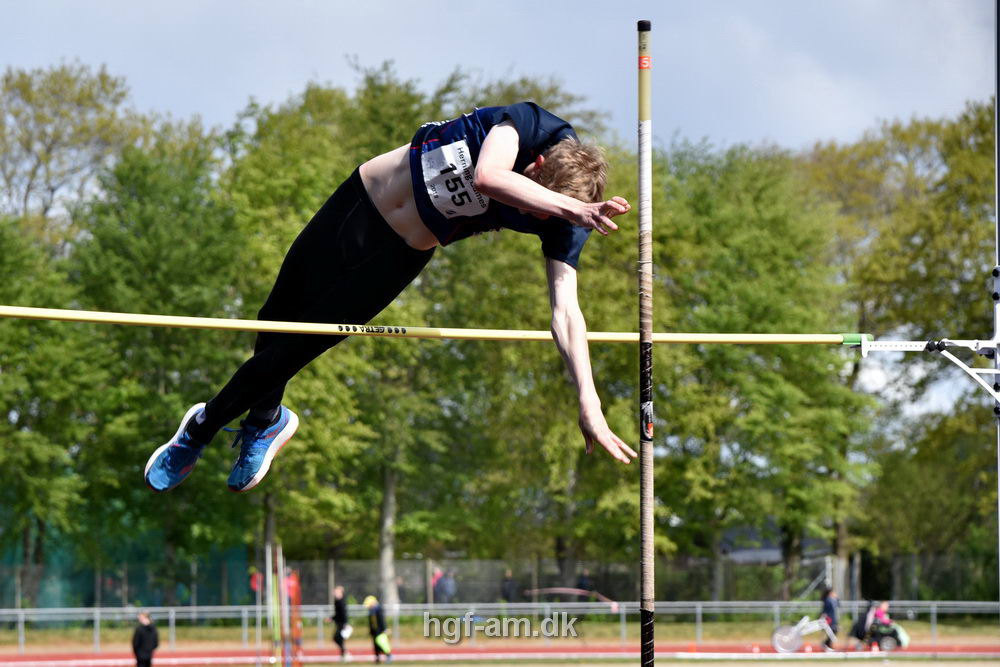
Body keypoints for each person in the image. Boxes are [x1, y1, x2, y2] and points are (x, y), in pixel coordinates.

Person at [143, 101, 637, 493]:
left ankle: (200, 430)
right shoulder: (530, 126)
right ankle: (266, 420)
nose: (539, 218)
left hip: (398, 256)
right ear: (537, 164)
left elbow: (566, 312)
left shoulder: (570, 221)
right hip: (358, 204)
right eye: (541, 205)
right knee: (274, 319)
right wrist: (567, 207)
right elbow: (488, 178)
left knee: (294, 348)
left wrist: (587, 400)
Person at [364, 595, 392, 664]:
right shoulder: (371, 611)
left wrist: (384, 629)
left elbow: (382, 621)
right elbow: (371, 623)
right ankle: (377, 659)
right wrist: (371, 631)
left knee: (382, 644)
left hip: (380, 631)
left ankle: (388, 655)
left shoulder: (379, 610)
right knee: (375, 645)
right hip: (374, 631)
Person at [331, 585, 351, 662]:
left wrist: (345, 624)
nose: (334, 593)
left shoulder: (341, 602)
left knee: (337, 638)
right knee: (338, 639)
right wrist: (332, 618)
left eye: (336, 591)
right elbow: (337, 614)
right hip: (339, 623)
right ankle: (344, 654)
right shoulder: (337, 601)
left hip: (342, 624)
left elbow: (343, 613)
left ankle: (345, 654)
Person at [820, 587, 839, 651]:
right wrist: (823, 618)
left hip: (834, 617)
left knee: (835, 630)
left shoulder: (833, 600)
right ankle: (827, 644)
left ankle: (827, 643)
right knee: (832, 630)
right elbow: (825, 610)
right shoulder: (827, 600)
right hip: (829, 618)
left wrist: (836, 598)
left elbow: (838, 604)